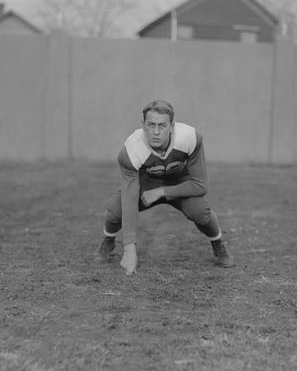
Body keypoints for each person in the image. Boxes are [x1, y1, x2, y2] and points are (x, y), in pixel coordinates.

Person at [98, 100, 234, 275]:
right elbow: (130, 198)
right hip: (146, 184)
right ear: (143, 125)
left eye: (162, 126)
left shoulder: (190, 138)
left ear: (172, 127)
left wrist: (162, 191)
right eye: (151, 125)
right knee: (116, 209)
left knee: (201, 212)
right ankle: (109, 239)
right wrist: (129, 248)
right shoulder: (131, 150)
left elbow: (200, 186)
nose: (156, 132)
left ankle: (217, 243)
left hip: (180, 182)